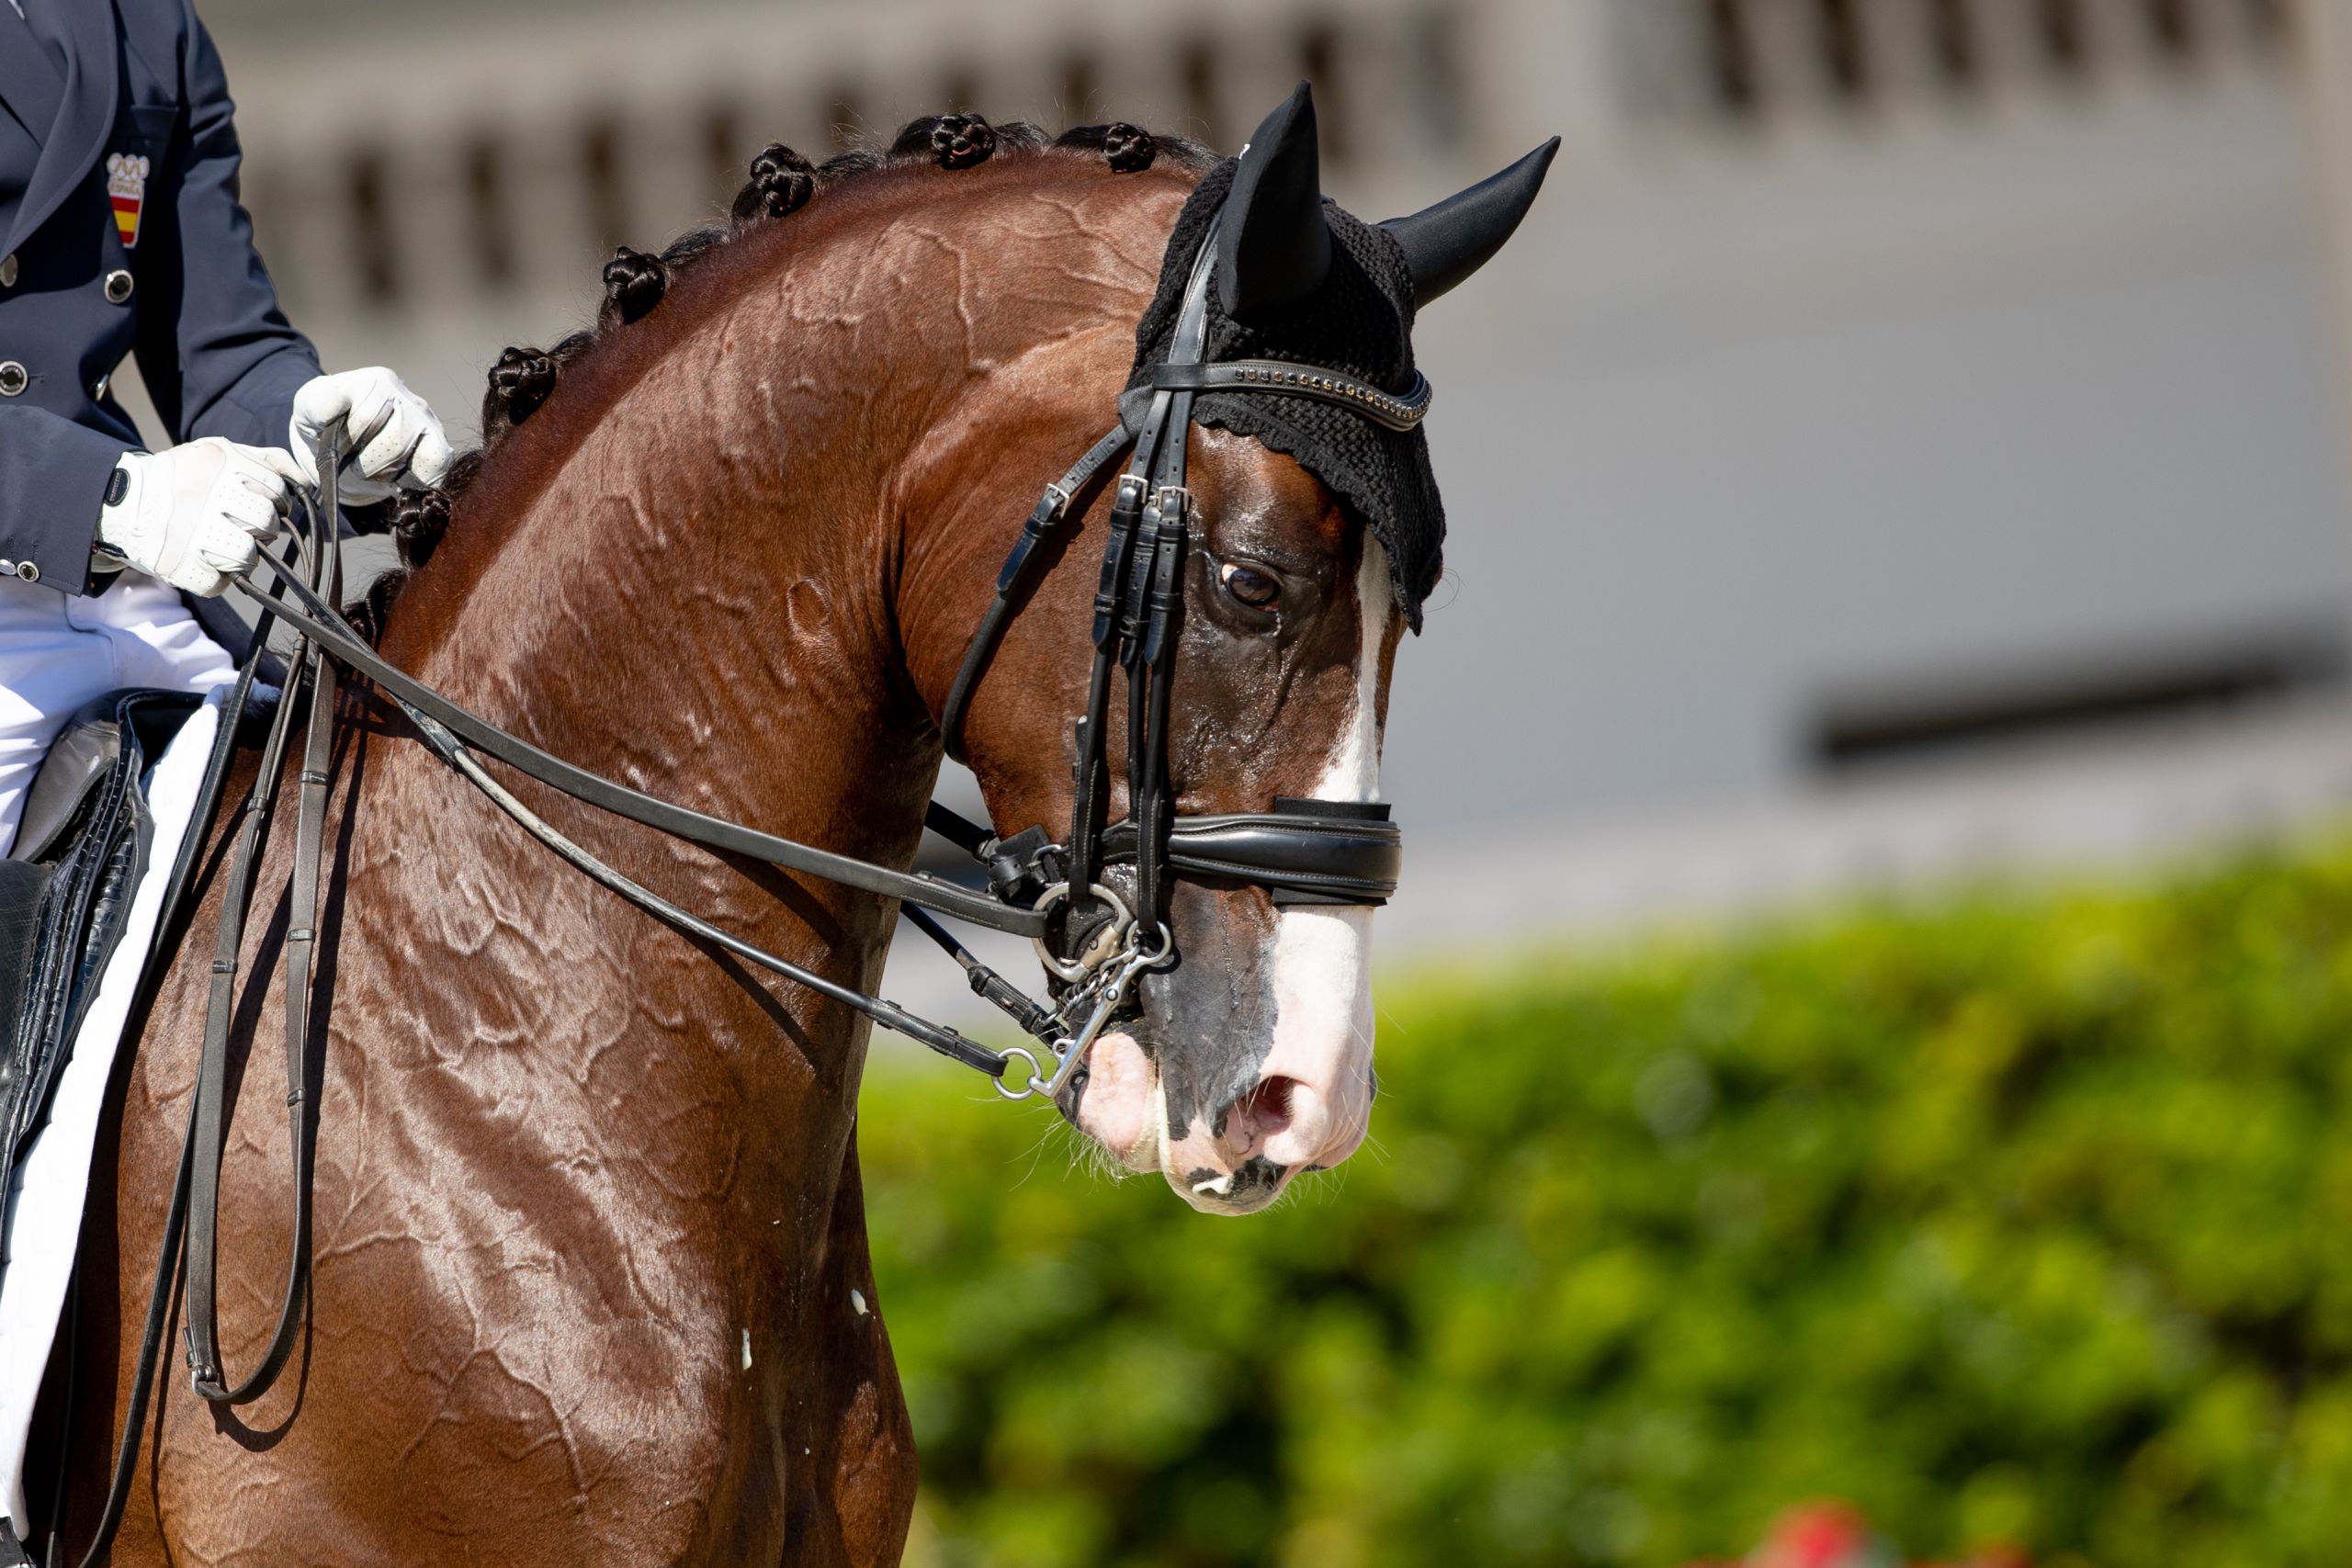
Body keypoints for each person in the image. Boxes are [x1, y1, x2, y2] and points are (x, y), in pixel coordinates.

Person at [0, 0, 451, 854]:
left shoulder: (148, 19)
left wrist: (323, 434)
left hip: (133, 597)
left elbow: (223, 351)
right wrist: (111, 498)